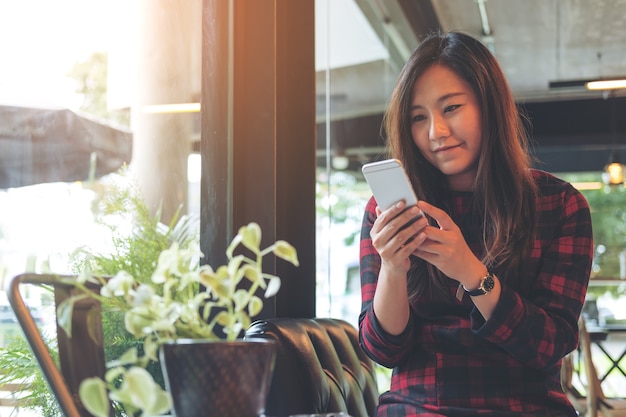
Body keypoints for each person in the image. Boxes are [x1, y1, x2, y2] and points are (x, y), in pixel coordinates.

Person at [358, 30, 594, 417]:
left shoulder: (560, 204)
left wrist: (469, 271)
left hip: (525, 407)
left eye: (451, 108)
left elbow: (549, 345)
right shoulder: (386, 212)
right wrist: (393, 268)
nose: (436, 132)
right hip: (416, 408)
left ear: (489, 106)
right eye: (419, 117)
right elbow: (383, 350)